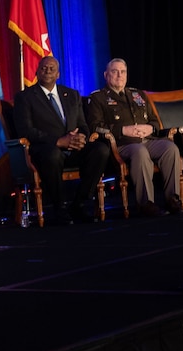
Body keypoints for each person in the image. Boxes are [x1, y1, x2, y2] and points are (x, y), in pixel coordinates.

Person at [13, 56, 111, 225]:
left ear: (58, 74)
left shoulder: (72, 94)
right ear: (37, 72)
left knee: (101, 150)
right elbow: (25, 130)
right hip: (46, 149)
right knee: (53, 155)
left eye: (52, 69)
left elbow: (83, 125)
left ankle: (79, 203)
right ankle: (59, 208)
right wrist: (59, 141)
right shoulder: (25, 97)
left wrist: (81, 137)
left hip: (73, 148)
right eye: (44, 68)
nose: (48, 71)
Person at [85, 58, 183, 217]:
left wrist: (149, 128)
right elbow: (94, 126)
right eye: (114, 71)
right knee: (140, 152)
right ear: (106, 75)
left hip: (147, 140)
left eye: (123, 72)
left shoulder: (138, 94)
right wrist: (123, 130)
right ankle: (146, 203)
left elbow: (154, 121)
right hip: (122, 144)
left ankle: (172, 199)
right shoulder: (98, 98)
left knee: (170, 148)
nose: (119, 75)